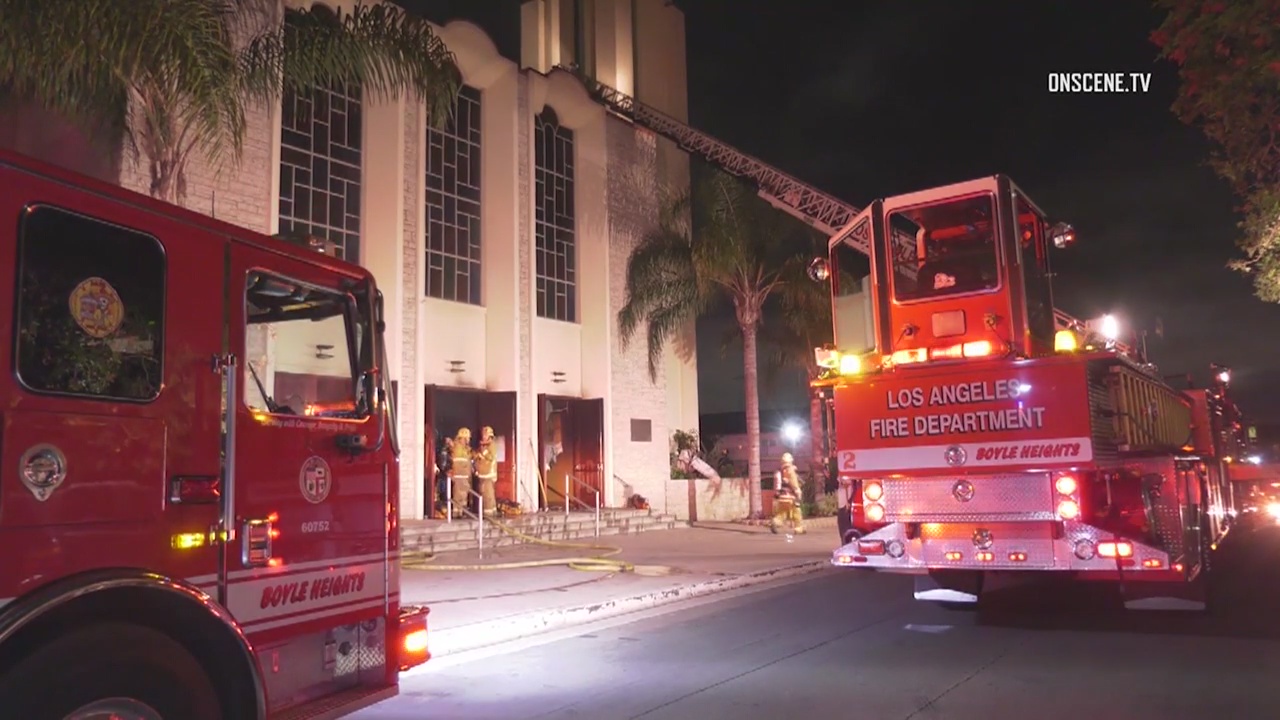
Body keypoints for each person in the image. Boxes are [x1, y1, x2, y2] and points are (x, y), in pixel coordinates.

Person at [771, 452, 806, 538]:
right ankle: (799, 528)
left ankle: (775, 522)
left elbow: (777, 486)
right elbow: (794, 484)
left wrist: (777, 495)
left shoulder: (779, 471)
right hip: (791, 497)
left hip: (782, 497)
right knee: (797, 513)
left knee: (781, 514)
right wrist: (798, 492)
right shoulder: (791, 471)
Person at [474, 426, 498, 518]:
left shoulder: (491, 445)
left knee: (488, 495)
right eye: (483, 435)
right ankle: (490, 513)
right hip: (483, 474)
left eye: (485, 435)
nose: (483, 436)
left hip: (488, 475)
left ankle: (488, 515)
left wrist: (483, 452)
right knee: (486, 494)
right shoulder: (484, 446)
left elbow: (490, 457)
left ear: (489, 436)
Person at [449, 427, 473, 518]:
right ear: (462, 438)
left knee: (463, 495)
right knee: (459, 495)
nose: (468, 440)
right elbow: (459, 463)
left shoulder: (464, 448)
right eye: (467, 438)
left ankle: (461, 512)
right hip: (459, 475)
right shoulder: (458, 448)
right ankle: (457, 513)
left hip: (464, 476)